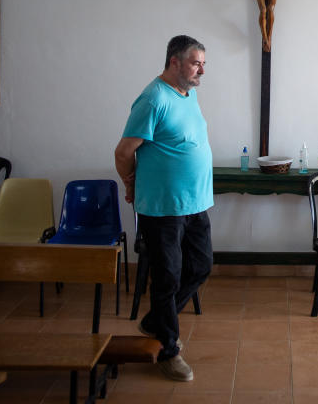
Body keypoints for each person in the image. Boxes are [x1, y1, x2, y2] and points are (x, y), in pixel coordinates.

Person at [114, 35, 214, 382]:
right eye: (195, 62)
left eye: (203, 62)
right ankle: (168, 349)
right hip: (162, 207)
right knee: (167, 276)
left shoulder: (190, 94)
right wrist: (130, 183)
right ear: (174, 61)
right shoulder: (153, 97)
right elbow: (124, 151)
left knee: (201, 266)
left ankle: (157, 321)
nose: (202, 69)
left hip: (194, 203)